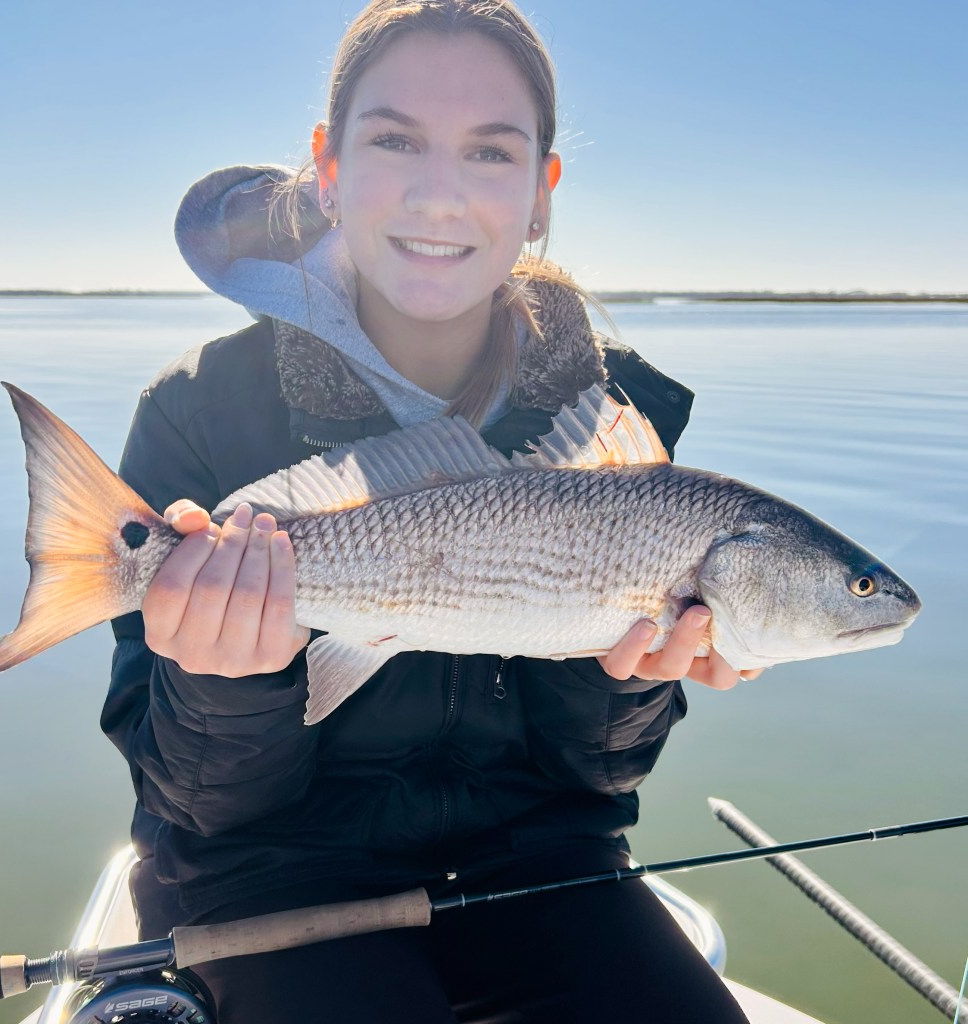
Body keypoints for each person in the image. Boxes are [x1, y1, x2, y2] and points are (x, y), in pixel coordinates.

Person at [102, 2, 759, 1020]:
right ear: (327, 167)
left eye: (490, 152)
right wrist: (224, 680)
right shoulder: (195, 412)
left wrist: (625, 685)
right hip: (270, 875)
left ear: (541, 192)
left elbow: (594, 779)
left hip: (544, 863)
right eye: (394, 138)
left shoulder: (622, 424)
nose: (439, 192)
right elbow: (195, 803)